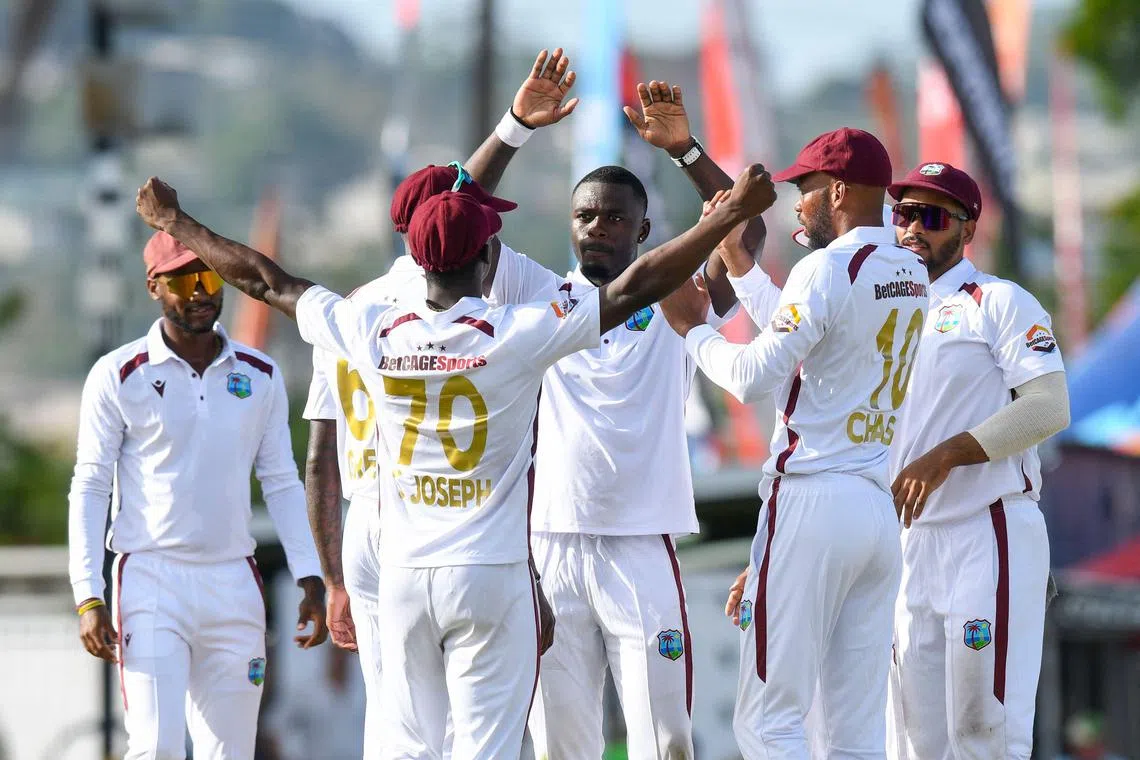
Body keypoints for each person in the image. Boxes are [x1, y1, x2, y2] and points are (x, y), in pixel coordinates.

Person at [133, 160, 776, 757]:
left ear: (417, 258)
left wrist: (177, 224)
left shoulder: (372, 328)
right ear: (491, 257)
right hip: (491, 575)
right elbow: (638, 286)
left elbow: (264, 279)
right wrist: (721, 218)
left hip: (406, 576)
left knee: (413, 746)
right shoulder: (520, 333)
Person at [473, 79, 765, 759]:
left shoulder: (678, 296)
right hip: (551, 550)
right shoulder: (534, 292)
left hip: (640, 549)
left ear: (642, 229)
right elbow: (453, 210)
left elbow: (745, 230)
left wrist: (687, 151)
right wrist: (516, 124)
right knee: (558, 748)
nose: (597, 228)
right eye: (585, 216)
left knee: (666, 743)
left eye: (612, 218)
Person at [301, 48, 577, 755]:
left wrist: (332, 575)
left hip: (369, 526)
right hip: (442, 523)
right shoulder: (468, 306)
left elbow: (320, 453)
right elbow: (465, 199)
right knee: (472, 720)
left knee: (395, 726)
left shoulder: (359, 307)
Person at [661, 127, 927, 758]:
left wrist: (693, 332)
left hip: (811, 497)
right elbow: (815, 337)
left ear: (837, 190)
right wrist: (741, 266)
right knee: (854, 730)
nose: (796, 206)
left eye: (804, 190)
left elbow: (755, 377)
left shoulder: (826, 267)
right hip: (872, 507)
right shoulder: (909, 267)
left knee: (769, 720)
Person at [67, 231, 326, 760]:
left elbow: (280, 480)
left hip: (234, 580)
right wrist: (88, 594)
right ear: (154, 287)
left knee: (230, 751)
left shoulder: (261, 375)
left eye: (209, 276)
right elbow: (91, 486)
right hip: (151, 580)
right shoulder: (118, 375)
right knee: (157, 748)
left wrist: (311, 575)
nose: (200, 291)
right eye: (184, 280)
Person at [885, 162, 1070, 760]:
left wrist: (950, 454)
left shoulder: (997, 301)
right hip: (909, 544)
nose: (913, 228)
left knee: (985, 731)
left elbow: (1048, 407)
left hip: (987, 531)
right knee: (915, 740)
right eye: (903, 214)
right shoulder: (882, 310)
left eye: (931, 217)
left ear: (966, 231)